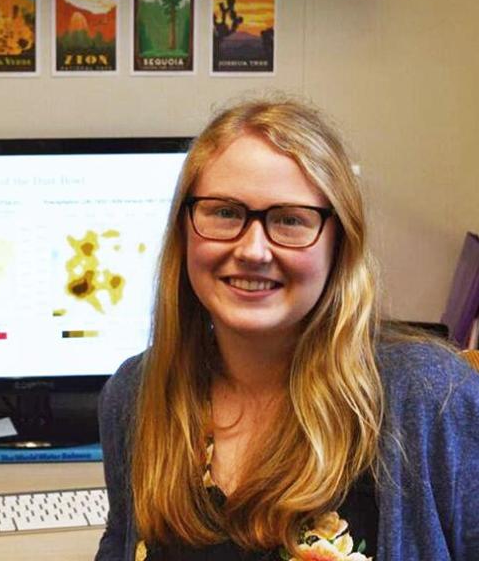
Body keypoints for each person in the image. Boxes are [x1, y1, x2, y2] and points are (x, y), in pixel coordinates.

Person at [95, 99, 479, 561]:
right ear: (185, 231)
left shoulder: (431, 396)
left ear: (339, 243)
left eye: (290, 219)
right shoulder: (138, 394)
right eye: (224, 212)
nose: (254, 250)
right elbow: (121, 544)